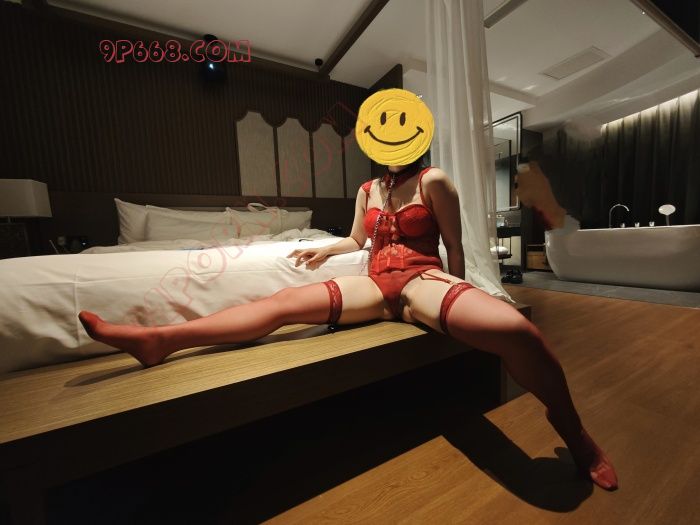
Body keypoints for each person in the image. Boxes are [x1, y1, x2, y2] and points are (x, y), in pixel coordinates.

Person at [79, 157, 618, 491]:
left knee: (517, 331)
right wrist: (324, 250)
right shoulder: (367, 190)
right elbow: (358, 241)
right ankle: (161, 340)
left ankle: (576, 435)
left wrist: (456, 292)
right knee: (284, 302)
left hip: (421, 277)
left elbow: (454, 244)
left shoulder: (434, 180)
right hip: (375, 283)